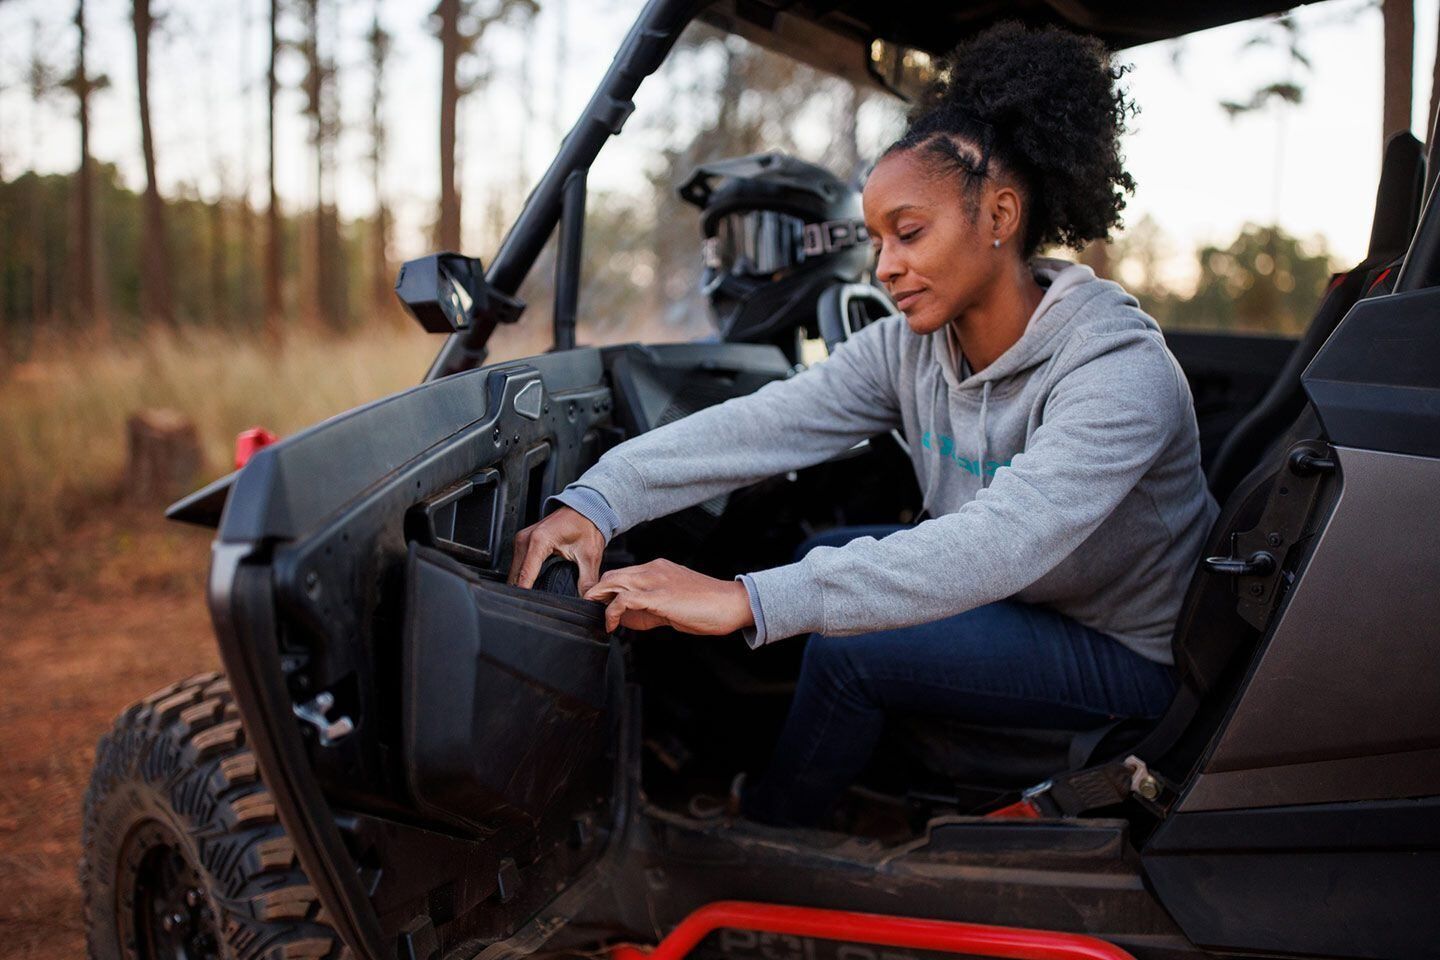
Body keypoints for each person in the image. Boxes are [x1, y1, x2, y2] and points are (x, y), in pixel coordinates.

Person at [509, 22, 1218, 827]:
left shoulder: (1117, 371)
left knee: (848, 647)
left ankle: (771, 831)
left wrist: (742, 599)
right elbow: (761, 425)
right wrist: (597, 499)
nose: (883, 267)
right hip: (1035, 602)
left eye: (909, 233)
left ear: (1001, 214)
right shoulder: (910, 348)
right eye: (877, 239)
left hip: (1132, 655)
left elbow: (1001, 542)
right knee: (818, 557)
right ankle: (857, 780)